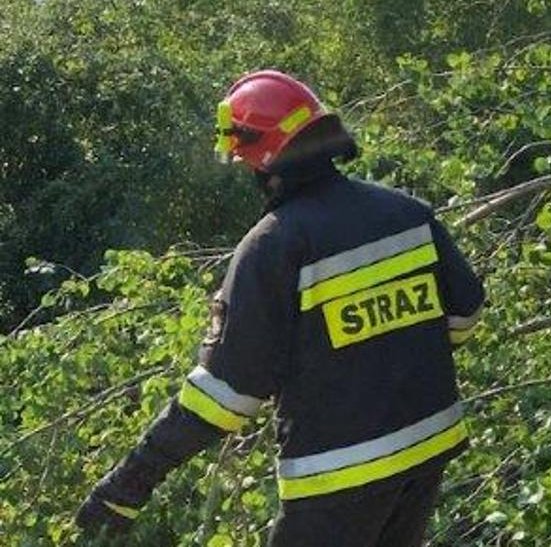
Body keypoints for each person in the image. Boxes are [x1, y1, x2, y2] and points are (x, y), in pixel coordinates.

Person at [75, 70, 485, 546]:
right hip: (426, 451)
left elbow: (226, 395)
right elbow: (464, 315)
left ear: (261, 160)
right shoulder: (407, 213)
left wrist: (130, 481)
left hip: (336, 474)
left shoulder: (274, 244)